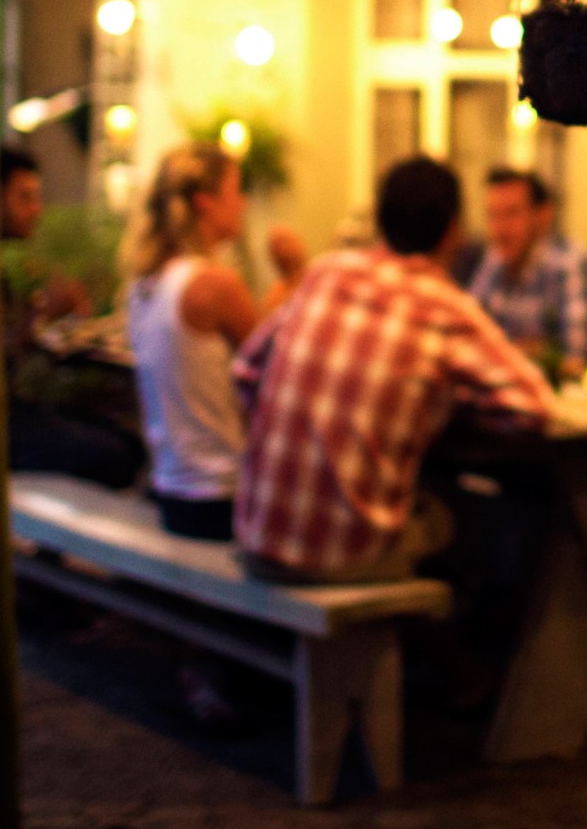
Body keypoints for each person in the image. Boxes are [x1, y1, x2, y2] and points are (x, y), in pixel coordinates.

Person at [234, 156, 554, 584]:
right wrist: (438, 401)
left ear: (381, 220)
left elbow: (245, 372)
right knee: (487, 525)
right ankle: (459, 649)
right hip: (342, 561)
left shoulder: (327, 271)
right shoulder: (442, 303)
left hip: (255, 539)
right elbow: (536, 407)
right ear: (453, 231)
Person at [0, 145, 143, 489]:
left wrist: (42, 317)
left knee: (120, 433)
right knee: (116, 453)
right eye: (25, 198)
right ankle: (56, 540)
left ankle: (55, 539)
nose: (37, 210)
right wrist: (46, 315)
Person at [123, 143, 259, 541]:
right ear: (205, 203)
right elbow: (277, 368)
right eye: (235, 192)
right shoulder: (213, 285)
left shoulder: (144, 285)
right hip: (223, 500)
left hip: (170, 493)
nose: (244, 204)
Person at [467, 168, 587, 376]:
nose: (500, 229)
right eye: (493, 215)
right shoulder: (494, 261)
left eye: (511, 214)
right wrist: (532, 350)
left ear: (543, 215)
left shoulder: (572, 265)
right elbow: (469, 345)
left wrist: (511, 351)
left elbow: (576, 363)